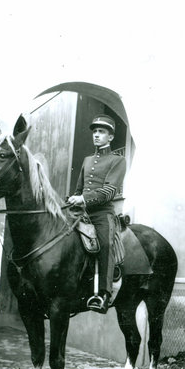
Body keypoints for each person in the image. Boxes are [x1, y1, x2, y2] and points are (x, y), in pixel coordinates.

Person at [67, 114, 126, 314]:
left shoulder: (118, 160)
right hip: (81, 212)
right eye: (95, 131)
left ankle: (104, 294)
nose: (96, 135)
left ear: (111, 137)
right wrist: (72, 199)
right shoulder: (87, 160)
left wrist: (83, 199)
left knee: (106, 245)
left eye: (101, 131)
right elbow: (79, 189)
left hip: (102, 214)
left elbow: (109, 191)